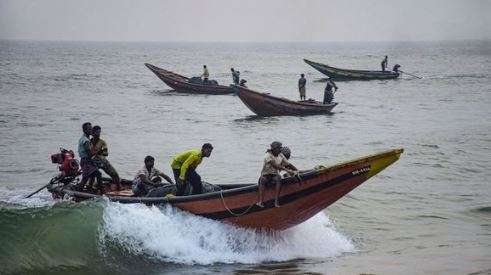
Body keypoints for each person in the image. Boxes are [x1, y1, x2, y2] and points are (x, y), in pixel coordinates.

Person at [257, 141, 298, 208]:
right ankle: (261, 201)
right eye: (279, 148)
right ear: (274, 149)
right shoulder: (268, 155)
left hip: (274, 175)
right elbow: (276, 166)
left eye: (280, 148)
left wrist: (296, 170)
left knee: (278, 178)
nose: (280, 149)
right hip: (265, 175)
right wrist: (288, 170)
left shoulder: (280, 155)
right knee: (262, 180)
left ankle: (276, 200)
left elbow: (288, 164)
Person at [90, 125, 121, 190]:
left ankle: (119, 187)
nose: (98, 134)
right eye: (97, 132)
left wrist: (99, 152)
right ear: (92, 133)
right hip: (93, 162)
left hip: (102, 161)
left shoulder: (102, 142)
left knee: (114, 174)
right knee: (91, 175)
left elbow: (106, 153)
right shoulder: (89, 142)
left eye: (99, 132)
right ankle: (91, 187)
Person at [76, 122, 102, 192]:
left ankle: (88, 189)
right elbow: (90, 154)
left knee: (91, 176)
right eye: (89, 129)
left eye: (91, 129)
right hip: (86, 161)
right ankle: (101, 191)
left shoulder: (83, 138)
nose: (91, 131)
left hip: (85, 160)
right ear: (85, 130)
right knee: (96, 175)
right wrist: (98, 152)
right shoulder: (86, 141)